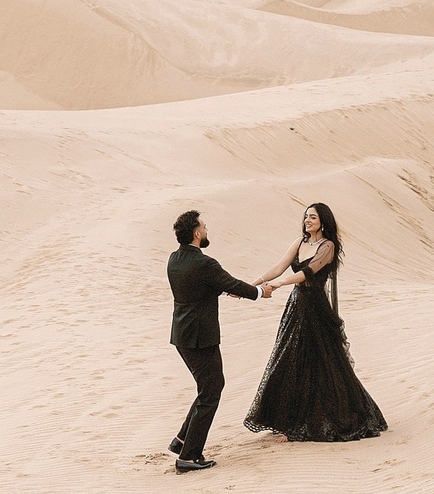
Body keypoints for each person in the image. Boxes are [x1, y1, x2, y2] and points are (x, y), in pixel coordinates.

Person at [244, 202, 388, 442]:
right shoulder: (299, 243)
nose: (307, 220)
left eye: (312, 217)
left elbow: (309, 272)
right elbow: (279, 267)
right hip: (296, 307)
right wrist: (253, 284)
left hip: (315, 308)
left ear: (323, 221)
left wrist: (280, 285)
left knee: (321, 363)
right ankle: (288, 420)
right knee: (289, 360)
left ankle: (311, 421)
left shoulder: (327, 246)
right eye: (306, 217)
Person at [165, 209, 259, 473]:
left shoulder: (174, 259)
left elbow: (204, 284)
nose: (207, 231)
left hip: (182, 336)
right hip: (200, 338)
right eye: (204, 227)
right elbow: (227, 282)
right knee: (212, 390)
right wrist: (259, 292)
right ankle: (188, 456)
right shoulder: (204, 263)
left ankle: (182, 440)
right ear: (196, 233)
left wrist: (225, 288)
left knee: (206, 388)